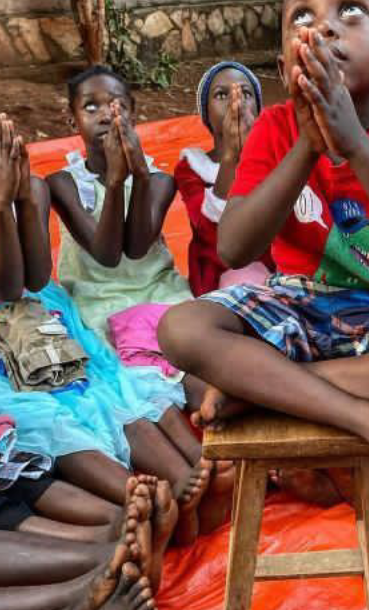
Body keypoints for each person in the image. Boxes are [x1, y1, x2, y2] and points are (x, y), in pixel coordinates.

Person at [159, 0, 369, 507]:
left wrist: (355, 143)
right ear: (283, 68)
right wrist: (308, 146)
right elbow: (234, 247)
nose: (323, 27)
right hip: (296, 305)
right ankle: (368, 418)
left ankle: (265, 390)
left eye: (351, 10)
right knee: (180, 328)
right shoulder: (275, 128)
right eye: (302, 16)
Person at [0, 114, 220, 544]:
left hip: (41, 311)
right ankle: (135, 501)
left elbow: (35, 277)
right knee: (48, 413)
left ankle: (183, 482)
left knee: (105, 387)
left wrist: (23, 198)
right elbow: (6, 287)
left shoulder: (34, 187)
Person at [46, 65, 210, 411]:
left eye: (117, 104)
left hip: (159, 291)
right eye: (91, 106)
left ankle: (216, 409)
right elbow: (107, 255)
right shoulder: (62, 183)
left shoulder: (159, 181)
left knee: (196, 357)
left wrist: (139, 176)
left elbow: (136, 248)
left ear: (133, 114)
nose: (106, 114)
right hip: (97, 301)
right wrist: (116, 181)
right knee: (135, 376)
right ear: (72, 120)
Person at [175, 61, 275, 297]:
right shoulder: (191, 167)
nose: (235, 102)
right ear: (206, 113)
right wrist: (232, 156)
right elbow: (211, 235)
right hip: (217, 276)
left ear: (258, 109)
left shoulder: (276, 157)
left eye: (246, 94)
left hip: (277, 271)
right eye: (221, 95)